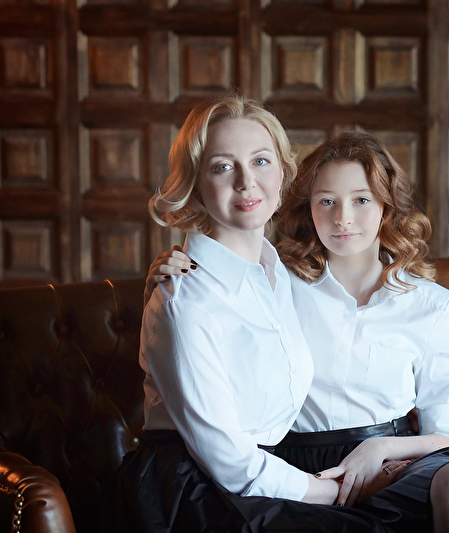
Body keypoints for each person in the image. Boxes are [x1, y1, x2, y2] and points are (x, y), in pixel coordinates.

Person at [147, 130, 449, 532]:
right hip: (302, 461)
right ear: (308, 209)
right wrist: (167, 273)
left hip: (396, 458)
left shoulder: (430, 305)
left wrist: (380, 448)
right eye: (326, 201)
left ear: (387, 206)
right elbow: (210, 293)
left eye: (361, 200)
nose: (343, 218)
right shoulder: (276, 283)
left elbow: (446, 433)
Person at [105, 94, 398, 533]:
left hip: (266, 475)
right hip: (193, 492)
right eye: (222, 167)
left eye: (261, 161)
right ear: (195, 184)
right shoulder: (183, 300)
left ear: (282, 174)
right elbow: (230, 463)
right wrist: (336, 492)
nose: (246, 182)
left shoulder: (280, 273)